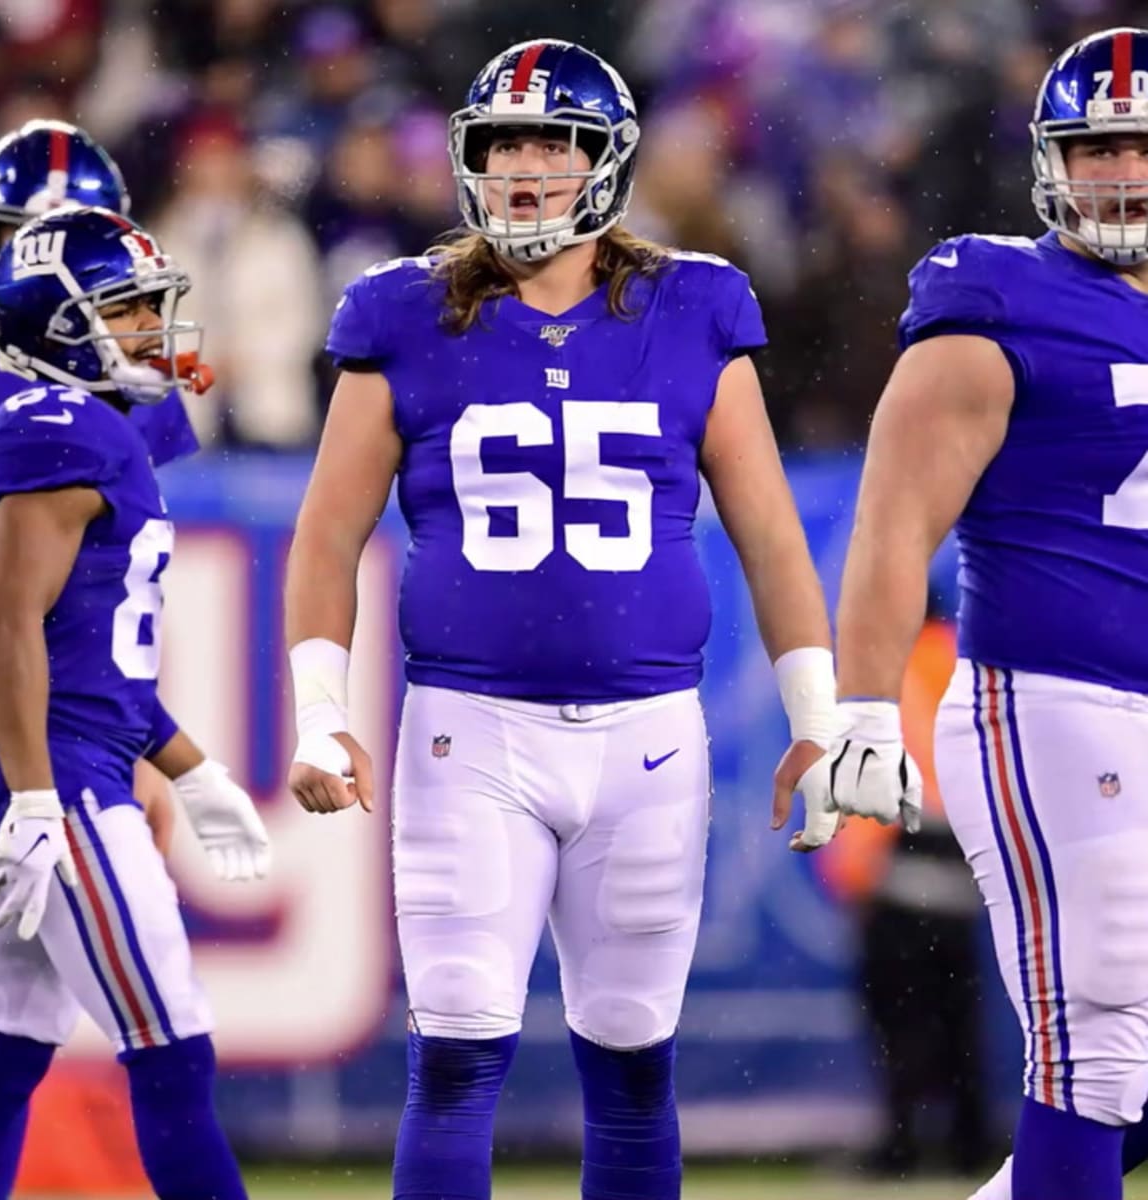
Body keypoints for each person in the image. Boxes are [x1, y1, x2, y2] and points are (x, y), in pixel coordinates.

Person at [284, 37, 839, 1200]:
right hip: (467, 735)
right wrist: (318, 710)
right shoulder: (402, 313)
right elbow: (328, 538)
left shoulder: (693, 305)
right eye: (502, 145)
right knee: (456, 1057)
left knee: (635, 1065)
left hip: (647, 738)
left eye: (553, 142)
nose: (526, 169)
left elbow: (771, 533)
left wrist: (816, 715)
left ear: (608, 160)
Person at [827, 25, 1148, 1200]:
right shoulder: (1002, 294)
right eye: (1098, 148)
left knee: (1132, 1073)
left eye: (1143, 147)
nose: (1123, 173)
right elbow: (893, 522)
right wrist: (860, 709)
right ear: (1052, 161)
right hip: (1057, 698)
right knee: (1099, 1036)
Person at [0, 206, 269, 1200]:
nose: (151, 331)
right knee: (170, 1050)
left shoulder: (92, 427)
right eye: (127, 310)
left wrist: (191, 766)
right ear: (59, 324)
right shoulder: (57, 430)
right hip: (59, 776)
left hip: (55, 757)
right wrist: (40, 798)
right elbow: (7, 631)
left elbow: (94, 664)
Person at [0, 119, 204, 1076]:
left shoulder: (125, 379)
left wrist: (132, 737)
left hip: (63, 694)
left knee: (3, 1018)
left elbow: (121, 581)